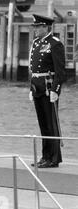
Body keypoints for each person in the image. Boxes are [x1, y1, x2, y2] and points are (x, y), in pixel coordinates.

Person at [29, 14, 66, 168]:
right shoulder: (36, 43)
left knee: (52, 124)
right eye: (35, 27)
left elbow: (60, 71)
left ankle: (54, 158)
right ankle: (45, 156)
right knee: (43, 124)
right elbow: (33, 68)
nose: (35, 30)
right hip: (38, 87)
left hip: (49, 89)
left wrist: (56, 90)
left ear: (45, 27)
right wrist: (31, 88)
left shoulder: (55, 44)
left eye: (38, 27)